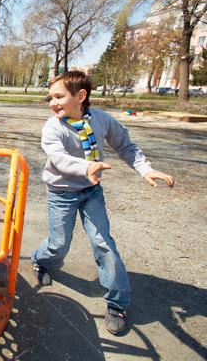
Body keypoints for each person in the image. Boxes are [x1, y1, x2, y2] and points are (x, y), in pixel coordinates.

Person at [31, 71, 174, 335]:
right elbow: (59, 159)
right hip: (61, 193)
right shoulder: (53, 126)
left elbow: (126, 146)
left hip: (91, 192)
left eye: (59, 96)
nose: (53, 102)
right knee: (59, 243)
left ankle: (118, 303)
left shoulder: (101, 119)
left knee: (104, 244)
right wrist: (87, 166)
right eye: (51, 97)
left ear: (80, 96)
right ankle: (40, 260)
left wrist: (145, 169)